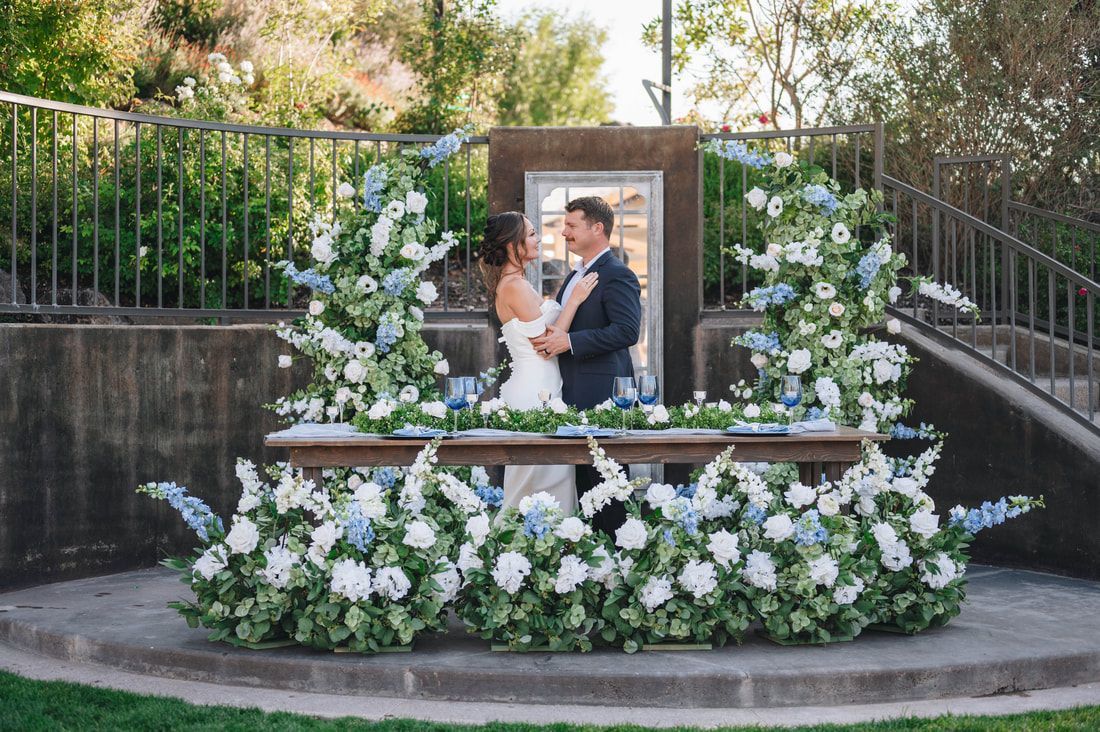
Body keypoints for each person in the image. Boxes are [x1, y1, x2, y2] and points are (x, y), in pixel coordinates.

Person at [531, 196, 642, 535]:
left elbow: (627, 330)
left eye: (571, 225)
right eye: (564, 225)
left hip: (602, 396)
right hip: (573, 393)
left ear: (597, 228)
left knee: (607, 491)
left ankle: (621, 561)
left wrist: (571, 342)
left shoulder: (617, 274)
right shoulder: (576, 275)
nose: (564, 232)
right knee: (585, 491)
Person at [479, 211, 598, 512]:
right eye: (531, 233)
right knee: (536, 485)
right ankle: (519, 554)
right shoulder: (514, 287)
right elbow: (547, 345)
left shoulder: (517, 282)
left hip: (544, 388)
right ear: (511, 244)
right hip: (534, 393)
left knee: (550, 481)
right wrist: (575, 299)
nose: (538, 238)